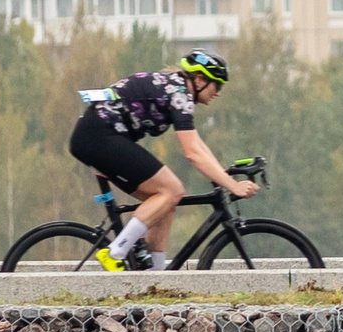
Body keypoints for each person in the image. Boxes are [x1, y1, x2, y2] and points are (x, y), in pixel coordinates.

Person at [68, 49, 259, 271]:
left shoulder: (178, 89)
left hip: (100, 135)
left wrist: (224, 176)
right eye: (217, 85)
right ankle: (115, 253)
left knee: (166, 203)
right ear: (199, 80)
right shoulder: (179, 94)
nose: (218, 92)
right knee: (172, 190)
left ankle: (155, 279)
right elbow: (192, 154)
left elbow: (198, 145)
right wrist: (232, 186)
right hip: (98, 136)